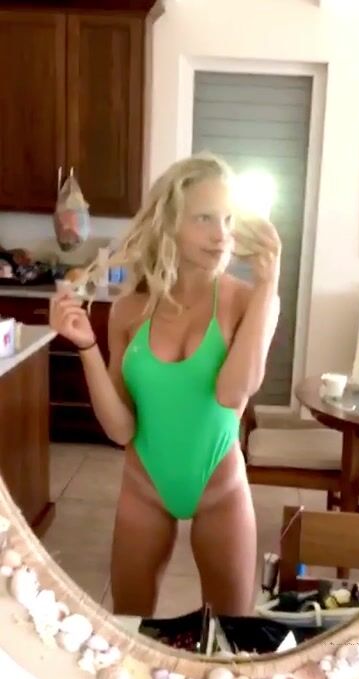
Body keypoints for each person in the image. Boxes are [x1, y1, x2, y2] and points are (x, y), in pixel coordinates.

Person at [49, 153, 281, 618]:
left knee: (231, 635)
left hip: (221, 488)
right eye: (204, 218)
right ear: (169, 222)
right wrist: (86, 346)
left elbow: (233, 393)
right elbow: (120, 429)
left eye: (228, 219)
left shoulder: (250, 300)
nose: (221, 234)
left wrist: (269, 283)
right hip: (144, 487)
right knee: (129, 626)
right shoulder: (129, 310)